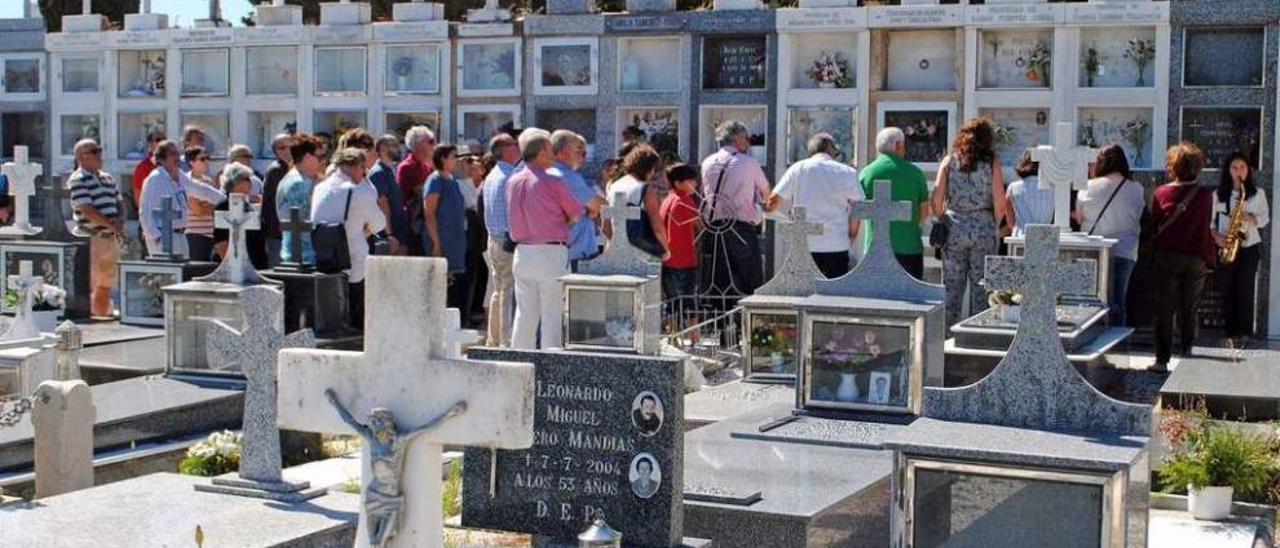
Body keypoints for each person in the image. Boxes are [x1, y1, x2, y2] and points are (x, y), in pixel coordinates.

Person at [507, 128, 584, 350]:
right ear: (541, 153)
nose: (554, 156)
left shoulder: (513, 180)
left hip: (522, 252)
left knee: (524, 315)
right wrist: (562, 222)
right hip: (550, 252)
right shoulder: (552, 179)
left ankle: (518, 363)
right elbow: (576, 213)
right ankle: (550, 368)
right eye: (550, 151)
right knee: (552, 316)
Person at [931, 118, 1008, 330]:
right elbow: (1000, 201)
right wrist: (995, 224)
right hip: (983, 226)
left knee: (951, 287)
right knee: (982, 286)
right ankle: (978, 334)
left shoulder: (949, 162)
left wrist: (941, 217)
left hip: (955, 225)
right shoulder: (991, 163)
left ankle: (944, 336)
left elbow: (936, 197)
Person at [1150, 142, 1215, 369]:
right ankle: (1187, 356)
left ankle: (1162, 359)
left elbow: (1153, 224)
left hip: (1167, 257)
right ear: (1197, 167)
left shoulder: (1161, 193)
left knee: (1165, 309)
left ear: (1172, 167)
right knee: (1190, 308)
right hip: (1197, 258)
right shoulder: (1206, 195)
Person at [311, 148, 390, 330]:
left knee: (333, 318)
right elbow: (379, 223)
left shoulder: (320, 188)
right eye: (364, 169)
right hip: (354, 262)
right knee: (356, 322)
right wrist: (364, 232)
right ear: (359, 166)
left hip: (326, 257)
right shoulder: (358, 191)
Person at [700, 121, 779, 299]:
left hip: (714, 230)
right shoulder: (748, 163)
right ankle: (744, 324)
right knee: (748, 283)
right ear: (737, 139)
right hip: (741, 229)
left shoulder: (707, 162)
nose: (748, 143)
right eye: (746, 138)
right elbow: (768, 195)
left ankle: (718, 324)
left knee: (718, 283)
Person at [771, 132, 863, 278]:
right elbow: (859, 207)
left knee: (804, 295)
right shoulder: (847, 172)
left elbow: (774, 201)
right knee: (834, 295)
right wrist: (852, 235)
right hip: (836, 242)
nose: (836, 153)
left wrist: (788, 219)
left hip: (805, 243)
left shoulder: (797, 169)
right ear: (829, 147)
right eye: (835, 149)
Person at [1076, 145, 1146, 326]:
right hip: (1125, 250)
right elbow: (1139, 214)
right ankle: (1118, 342)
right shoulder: (1136, 188)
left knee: (1092, 301)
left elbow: (1079, 216)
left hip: (1094, 250)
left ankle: (1093, 335)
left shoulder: (1088, 186)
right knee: (1118, 299)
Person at [1212, 152, 1269, 347]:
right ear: (1228, 171)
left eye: (1242, 168)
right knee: (1226, 290)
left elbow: (1264, 219)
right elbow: (1209, 224)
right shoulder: (1218, 195)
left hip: (1249, 247)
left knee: (1245, 290)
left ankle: (1245, 332)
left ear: (1248, 170)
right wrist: (1218, 238)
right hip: (1226, 246)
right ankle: (1230, 331)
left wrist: (1248, 217)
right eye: (1234, 168)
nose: (1239, 172)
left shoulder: (1257, 193)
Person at [860, 128, 931, 279]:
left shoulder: (866, 173)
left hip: (874, 248)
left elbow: (857, 209)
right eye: (904, 144)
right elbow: (924, 211)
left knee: (875, 300)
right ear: (898, 145)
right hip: (908, 248)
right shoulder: (915, 173)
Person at [67, 139, 123, 319]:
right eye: (95, 151)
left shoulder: (107, 177)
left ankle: (102, 315)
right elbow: (86, 209)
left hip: (109, 237)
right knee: (91, 282)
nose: (100, 154)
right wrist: (110, 224)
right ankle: (91, 317)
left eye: (99, 150)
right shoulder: (78, 179)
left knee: (106, 282)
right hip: (91, 237)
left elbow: (119, 202)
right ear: (82, 157)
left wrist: (120, 220)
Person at [139, 140, 223, 258]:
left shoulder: (180, 176)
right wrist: (155, 237)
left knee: (184, 274)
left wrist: (224, 200)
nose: (178, 157)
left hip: (182, 236)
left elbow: (202, 190)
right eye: (173, 154)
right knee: (166, 275)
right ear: (163, 158)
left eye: (178, 153)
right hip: (163, 238)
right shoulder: (155, 179)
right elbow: (145, 212)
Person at [482, 133, 522, 347]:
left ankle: (494, 338)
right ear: (504, 149)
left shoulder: (493, 174)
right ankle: (506, 342)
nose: (518, 146)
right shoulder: (509, 176)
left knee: (499, 290)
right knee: (508, 291)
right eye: (513, 144)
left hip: (494, 238)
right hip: (507, 239)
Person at [551, 130, 605, 270]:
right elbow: (597, 205)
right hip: (576, 252)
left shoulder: (543, 172)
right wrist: (592, 209)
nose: (583, 157)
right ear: (563, 152)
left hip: (554, 253)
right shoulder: (567, 176)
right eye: (580, 151)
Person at [424, 144, 469, 309]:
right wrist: (436, 242)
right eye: (453, 157)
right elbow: (429, 214)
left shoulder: (453, 180)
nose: (457, 160)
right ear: (443, 158)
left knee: (456, 286)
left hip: (456, 240)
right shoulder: (435, 181)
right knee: (442, 286)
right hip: (442, 240)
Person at [660, 163, 701, 328]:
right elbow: (701, 225)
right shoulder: (685, 200)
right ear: (678, 183)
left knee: (671, 301)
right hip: (684, 257)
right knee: (688, 299)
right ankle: (694, 335)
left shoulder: (668, 199)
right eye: (690, 181)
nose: (695, 184)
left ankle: (672, 336)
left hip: (668, 258)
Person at [276, 133, 327, 265]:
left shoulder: (303, 179)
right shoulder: (297, 183)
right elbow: (306, 220)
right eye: (320, 156)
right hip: (303, 256)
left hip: (302, 254)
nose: (323, 161)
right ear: (307, 157)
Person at [610, 144, 668, 259]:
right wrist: (665, 250)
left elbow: (606, 225)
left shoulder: (615, 185)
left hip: (618, 249)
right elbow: (657, 226)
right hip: (641, 251)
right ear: (649, 168)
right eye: (653, 169)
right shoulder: (645, 188)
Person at [397, 126, 436, 256]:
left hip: (426, 222)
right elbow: (425, 192)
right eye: (430, 141)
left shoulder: (426, 165)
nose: (433, 145)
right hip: (414, 225)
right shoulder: (407, 167)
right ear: (419, 145)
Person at [369, 134, 410, 254]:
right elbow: (382, 205)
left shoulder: (390, 171)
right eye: (394, 146)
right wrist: (389, 235)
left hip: (398, 231)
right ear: (382, 149)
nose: (398, 149)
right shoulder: (378, 173)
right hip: (389, 236)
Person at [261, 133, 294, 267]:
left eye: (290, 146)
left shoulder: (295, 167)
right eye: (282, 148)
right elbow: (274, 201)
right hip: (278, 230)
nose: (287, 150)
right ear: (275, 152)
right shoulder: (276, 170)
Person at [212, 163, 257, 260]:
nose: (249, 183)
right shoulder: (223, 207)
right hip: (232, 260)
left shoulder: (248, 207)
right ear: (232, 184)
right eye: (245, 179)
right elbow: (221, 240)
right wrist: (228, 263)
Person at [1004, 150, 1054, 236]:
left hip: (1020, 237)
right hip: (1045, 238)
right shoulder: (1054, 189)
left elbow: (1010, 222)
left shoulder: (1013, 188)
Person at [182, 146, 219, 262]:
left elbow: (216, 204)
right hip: (195, 235)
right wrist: (213, 206)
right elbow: (198, 210)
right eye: (202, 159)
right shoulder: (187, 181)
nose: (207, 162)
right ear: (191, 162)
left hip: (210, 234)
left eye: (207, 158)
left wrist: (210, 205)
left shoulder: (208, 181)